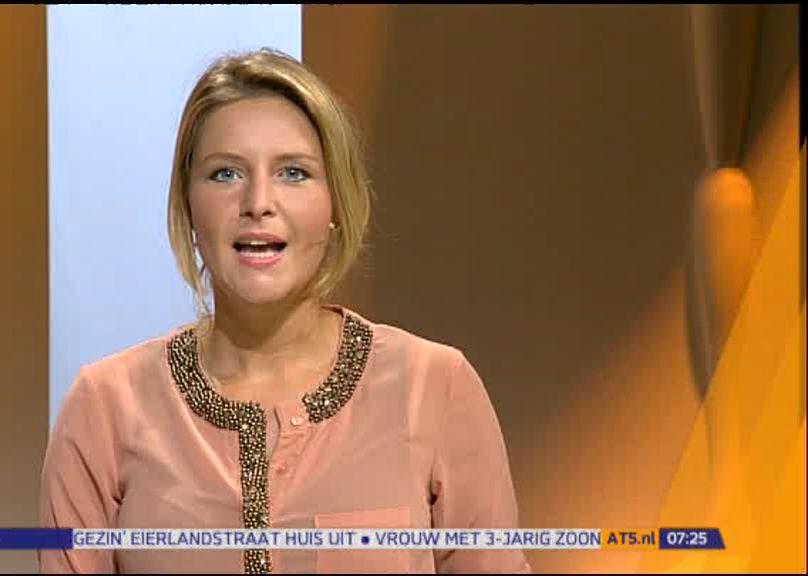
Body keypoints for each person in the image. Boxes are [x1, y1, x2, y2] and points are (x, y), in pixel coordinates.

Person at [39, 47, 530, 574]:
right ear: (187, 205)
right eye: (225, 174)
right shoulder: (105, 406)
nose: (258, 202)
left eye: (294, 173)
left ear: (335, 203)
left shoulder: (435, 386)